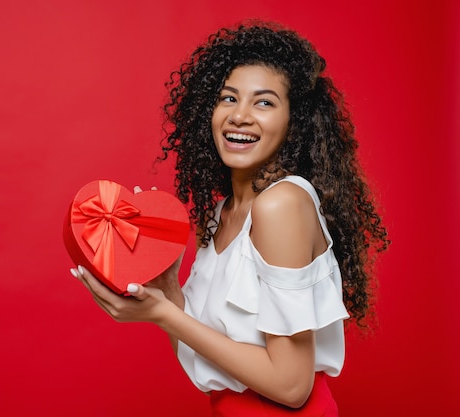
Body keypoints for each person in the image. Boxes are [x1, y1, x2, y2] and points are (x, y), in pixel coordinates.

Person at [70, 19, 390, 416]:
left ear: (295, 122)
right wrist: (168, 290)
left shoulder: (282, 204)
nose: (240, 115)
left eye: (264, 102)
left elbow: (291, 387)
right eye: (227, 98)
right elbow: (209, 369)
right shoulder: (222, 214)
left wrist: (164, 314)